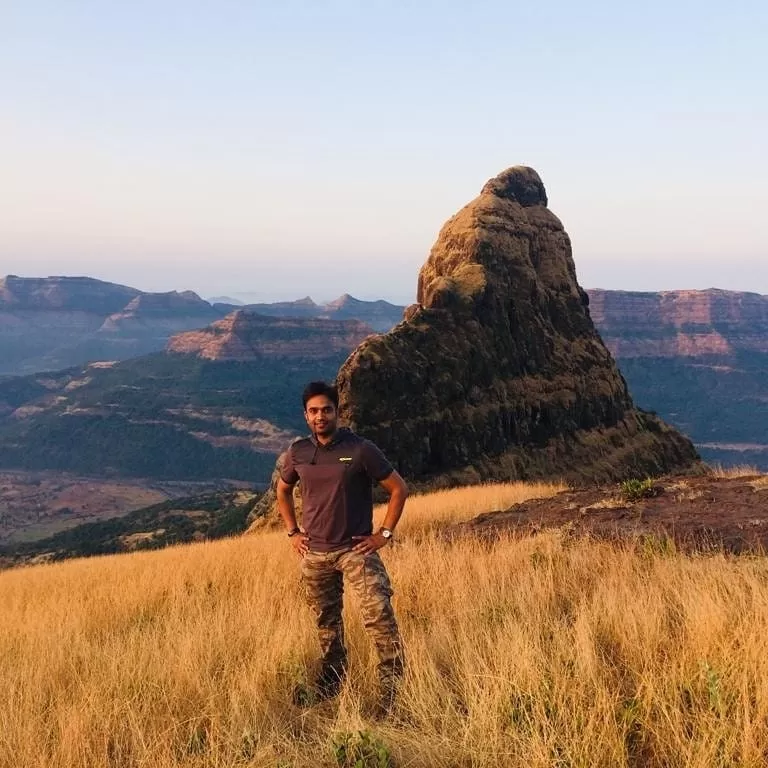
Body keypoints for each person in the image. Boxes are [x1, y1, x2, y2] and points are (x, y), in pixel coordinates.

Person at [277, 380, 408, 713]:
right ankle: (332, 680)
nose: (320, 416)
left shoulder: (361, 449)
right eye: (314, 411)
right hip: (315, 554)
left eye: (327, 410)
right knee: (326, 621)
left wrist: (384, 535)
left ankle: (392, 694)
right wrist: (293, 532)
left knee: (379, 618)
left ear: (338, 411)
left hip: (356, 551)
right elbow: (282, 490)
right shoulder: (299, 452)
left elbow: (398, 489)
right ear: (306, 416)